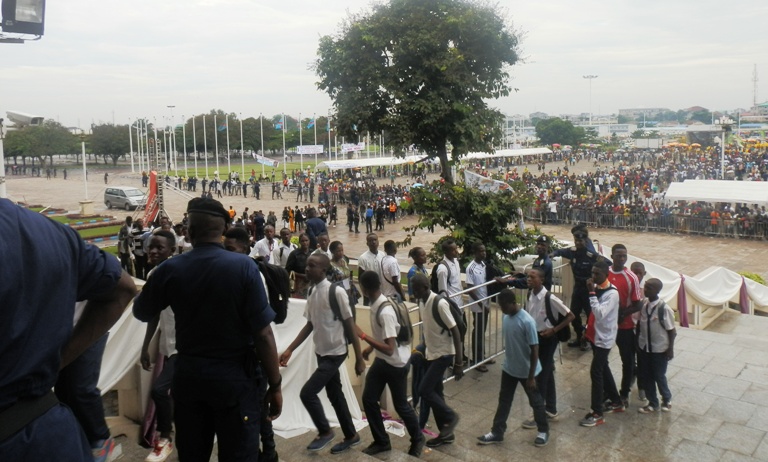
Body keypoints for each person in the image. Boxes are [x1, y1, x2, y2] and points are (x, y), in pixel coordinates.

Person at [133, 197, 282, 461]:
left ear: (188, 232)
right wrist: (276, 384)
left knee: (192, 454)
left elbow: (142, 311)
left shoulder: (169, 270)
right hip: (235, 380)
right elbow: (263, 334)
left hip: (190, 378)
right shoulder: (244, 267)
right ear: (224, 231)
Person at [0, 198, 136, 460]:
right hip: (47, 430)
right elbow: (125, 288)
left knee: (81, 388)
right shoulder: (45, 230)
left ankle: (99, 438)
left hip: (28, 427)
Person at [279, 254, 365, 454]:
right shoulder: (312, 292)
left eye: (313, 266)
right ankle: (352, 435)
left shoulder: (336, 293)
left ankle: (325, 431)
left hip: (336, 352)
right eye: (307, 265)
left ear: (324, 271)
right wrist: (290, 349)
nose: (307, 269)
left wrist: (359, 358)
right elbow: (309, 324)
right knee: (335, 395)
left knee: (307, 393)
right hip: (322, 352)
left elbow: (350, 325)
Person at [357, 271, 425, 457]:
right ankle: (381, 441)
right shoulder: (378, 304)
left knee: (401, 405)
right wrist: (370, 350)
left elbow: (389, 347)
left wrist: (363, 336)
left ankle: (418, 438)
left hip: (395, 364)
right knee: (369, 399)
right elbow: (385, 337)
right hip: (384, 360)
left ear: (363, 289)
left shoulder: (385, 311)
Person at [476, 289, 549, 447]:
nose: (501, 309)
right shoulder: (506, 317)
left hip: (527, 371)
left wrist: (530, 377)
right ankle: (497, 432)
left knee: (536, 402)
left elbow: (535, 349)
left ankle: (543, 430)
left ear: (512, 303)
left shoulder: (527, 321)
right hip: (510, 368)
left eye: (503, 306)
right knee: (504, 401)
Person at [410, 274, 463, 448]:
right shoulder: (421, 303)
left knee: (424, 389)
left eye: (416, 289)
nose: (414, 292)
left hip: (444, 354)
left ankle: (451, 417)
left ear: (426, 287)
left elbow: (455, 331)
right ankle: (445, 434)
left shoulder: (439, 303)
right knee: (437, 394)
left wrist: (458, 362)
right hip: (431, 354)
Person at [138, 230, 177, 462]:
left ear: (171, 251)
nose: (152, 251)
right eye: (150, 247)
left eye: (159, 247)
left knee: (160, 390)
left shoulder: (181, 272)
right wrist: (145, 347)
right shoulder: (153, 275)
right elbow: (153, 314)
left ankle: (165, 436)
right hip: (168, 344)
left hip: (187, 344)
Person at [520, 267, 574, 429]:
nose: (529, 279)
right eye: (528, 277)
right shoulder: (529, 295)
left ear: (542, 280)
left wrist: (553, 330)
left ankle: (539, 414)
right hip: (535, 338)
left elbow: (570, 315)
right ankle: (551, 409)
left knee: (540, 377)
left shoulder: (550, 298)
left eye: (532, 277)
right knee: (547, 372)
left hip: (548, 339)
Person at [579, 261, 622, 427]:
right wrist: (586, 330)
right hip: (595, 335)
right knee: (603, 368)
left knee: (596, 372)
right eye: (593, 273)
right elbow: (591, 315)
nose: (593, 277)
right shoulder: (598, 288)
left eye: (597, 274)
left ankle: (597, 412)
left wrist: (591, 293)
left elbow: (600, 313)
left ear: (606, 275)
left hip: (605, 338)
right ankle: (616, 401)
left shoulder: (612, 294)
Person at [552, 226, 608, 350]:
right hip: (577, 289)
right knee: (574, 314)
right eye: (576, 241)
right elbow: (559, 251)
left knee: (590, 316)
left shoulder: (591, 255)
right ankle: (579, 336)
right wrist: (552, 254)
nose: (578, 243)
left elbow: (607, 263)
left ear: (585, 241)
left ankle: (587, 339)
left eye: (580, 241)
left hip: (589, 289)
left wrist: (598, 278)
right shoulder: (572, 252)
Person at [607, 244, 643, 409]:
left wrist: (622, 314)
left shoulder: (631, 278)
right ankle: (607, 392)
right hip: (606, 325)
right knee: (601, 359)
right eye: (618, 256)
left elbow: (637, 304)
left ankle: (624, 392)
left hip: (625, 326)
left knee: (627, 360)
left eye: (624, 256)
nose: (622, 259)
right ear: (612, 255)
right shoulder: (605, 273)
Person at [636, 278, 676, 414]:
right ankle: (653, 402)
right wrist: (638, 343)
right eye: (645, 287)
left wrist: (670, 349)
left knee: (659, 375)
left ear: (657, 291)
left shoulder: (664, 309)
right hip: (645, 347)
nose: (645, 290)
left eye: (649, 288)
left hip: (659, 349)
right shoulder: (644, 304)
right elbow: (639, 324)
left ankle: (667, 398)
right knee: (647, 376)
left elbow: (672, 331)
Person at [466, 242, 490, 372]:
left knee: (483, 331)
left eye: (484, 251)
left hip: (485, 304)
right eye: (481, 251)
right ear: (475, 252)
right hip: (478, 306)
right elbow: (470, 289)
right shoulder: (471, 268)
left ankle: (483, 356)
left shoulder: (484, 265)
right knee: (478, 332)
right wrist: (481, 304)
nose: (483, 253)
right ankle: (477, 360)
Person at [358, 233, 385, 304]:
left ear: (378, 242)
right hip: (369, 292)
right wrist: (365, 293)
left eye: (375, 240)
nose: (373, 242)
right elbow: (360, 277)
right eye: (370, 241)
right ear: (367, 243)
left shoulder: (382, 255)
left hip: (382, 289)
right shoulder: (363, 258)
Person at [285, 233, 312, 298]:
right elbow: (288, 270)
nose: (305, 243)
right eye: (302, 241)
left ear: (309, 241)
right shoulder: (294, 254)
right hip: (298, 284)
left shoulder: (313, 253)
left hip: (311, 283)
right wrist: (301, 275)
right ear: (299, 242)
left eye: (306, 240)